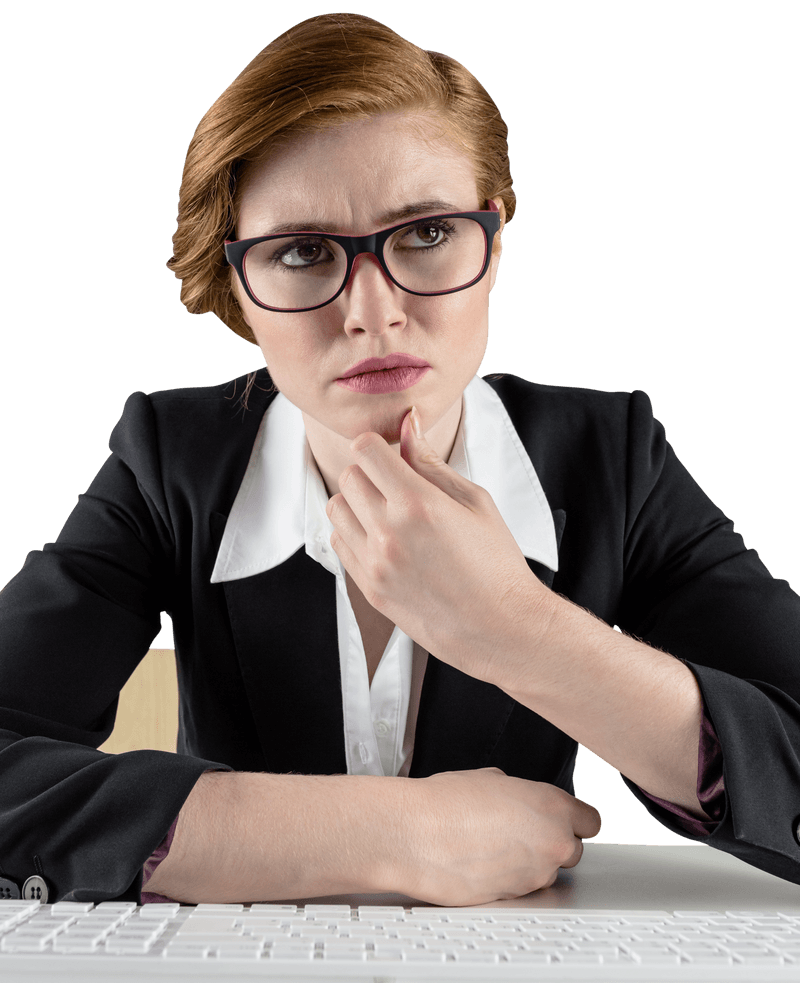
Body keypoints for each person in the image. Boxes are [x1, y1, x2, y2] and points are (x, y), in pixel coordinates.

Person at [1, 13, 798, 908]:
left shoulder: (614, 458)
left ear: (492, 241)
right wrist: (392, 835)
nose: (373, 314)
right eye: (302, 252)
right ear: (237, 288)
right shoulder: (167, 463)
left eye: (425, 235)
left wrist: (516, 627)